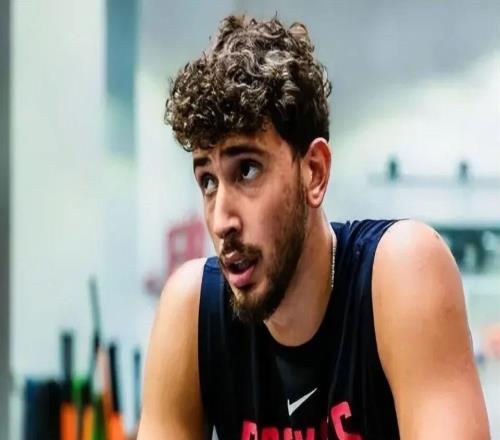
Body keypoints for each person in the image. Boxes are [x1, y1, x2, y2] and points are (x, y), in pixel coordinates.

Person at [137, 15, 490, 440]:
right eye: (208, 181)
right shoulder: (192, 312)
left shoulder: (404, 272)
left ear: (315, 172)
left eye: (247, 170)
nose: (221, 220)